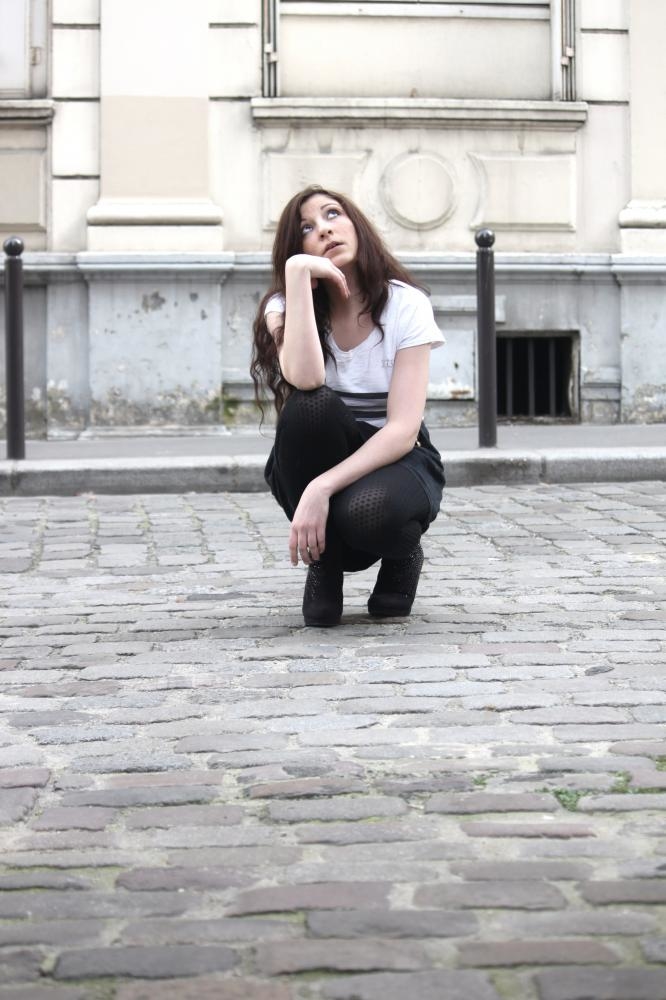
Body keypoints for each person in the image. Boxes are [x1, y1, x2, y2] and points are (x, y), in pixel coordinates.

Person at [251, 185, 445, 627]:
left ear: (356, 224)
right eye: (306, 228)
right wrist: (298, 276)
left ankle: (402, 555)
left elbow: (402, 430)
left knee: (367, 512)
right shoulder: (284, 307)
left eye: (332, 214)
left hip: (397, 458)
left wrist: (321, 488)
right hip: (322, 451)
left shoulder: (406, 304)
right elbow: (306, 379)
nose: (324, 229)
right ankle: (326, 563)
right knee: (310, 406)